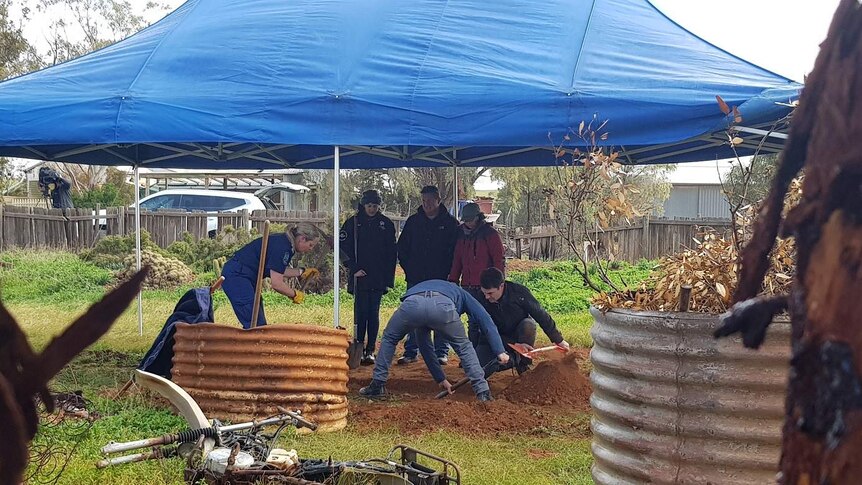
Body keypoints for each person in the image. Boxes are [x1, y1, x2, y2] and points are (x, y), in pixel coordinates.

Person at [359, 279, 510, 402]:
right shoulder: (462, 293)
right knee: (464, 347)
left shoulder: (423, 286)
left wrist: (440, 378)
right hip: (442, 307)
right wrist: (500, 351)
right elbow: (485, 319)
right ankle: (483, 392)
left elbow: (425, 347)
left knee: (389, 338)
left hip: (412, 305)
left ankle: (377, 385)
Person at [395, 185, 460, 365]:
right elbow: (402, 248)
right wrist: (409, 269)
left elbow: (457, 252)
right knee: (414, 313)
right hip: (416, 278)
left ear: (438, 200)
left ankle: (441, 351)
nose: (427, 204)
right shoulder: (413, 222)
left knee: (441, 313)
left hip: (442, 278)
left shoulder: (450, 223)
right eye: (424, 201)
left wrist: (450, 274)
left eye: (430, 201)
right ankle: (411, 351)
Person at [221, 222, 320, 329]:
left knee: (258, 322)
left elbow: (277, 269)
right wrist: (294, 294)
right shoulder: (282, 247)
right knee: (255, 324)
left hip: (245, 276)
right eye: (310, 245)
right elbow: (277, 284)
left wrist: (301, 271)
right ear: (302, 238)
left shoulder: (285, 243)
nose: (310, 249)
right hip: (237, 276)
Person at [476, 267, 571, 375]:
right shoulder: (480, 299)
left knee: (528, 325)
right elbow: (485, 331)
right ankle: (513, 359)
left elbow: (540, 314)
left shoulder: (519, 292)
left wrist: (558, 340)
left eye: (490, 293)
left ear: (501, 286)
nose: (487, 297)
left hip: (518, 332)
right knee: (481, 368)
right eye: (484, 293)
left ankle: (523, 363)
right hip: (493, 339)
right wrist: (513, 345)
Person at [339, 189, 397, 365]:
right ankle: (358, 344)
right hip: (359, 276)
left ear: (379, 206)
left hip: (378, 276)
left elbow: (391, 253)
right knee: (360, 312)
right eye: (369, 205)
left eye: (375, 206)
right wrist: (353, 268)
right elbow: (342, 248)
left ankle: (370, 349)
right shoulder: (352, 223)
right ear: (363, 205)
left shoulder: (385, 224)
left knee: (373, 312)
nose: (372, 209)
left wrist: (388, 279)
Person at [448, 202, 504, 347]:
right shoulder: (460, 234)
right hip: (467, 284)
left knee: (486, 320)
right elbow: (457, 259)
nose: (468, 223)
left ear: (478, 217)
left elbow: (498, 259)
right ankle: (473, 354)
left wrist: (497, 281)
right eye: (465, 220)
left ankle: (489, 351)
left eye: (470, 220)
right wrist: (453, 279)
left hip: (485, 286)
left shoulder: (490, 234)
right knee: (472, 321)